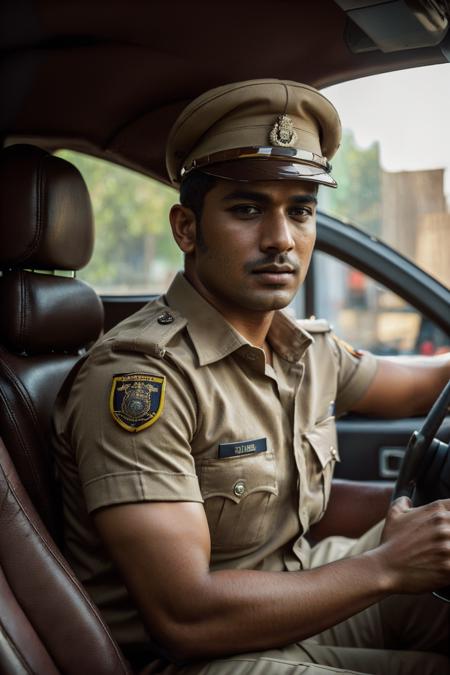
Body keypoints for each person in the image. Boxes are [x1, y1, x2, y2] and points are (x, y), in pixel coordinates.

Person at [53, 79, 450, 675]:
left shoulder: (303, 347)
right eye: (247, 209)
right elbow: (185, 616)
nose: (281, 239)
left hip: (290, 595)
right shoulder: (141, 378)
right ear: (187, 229)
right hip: (195, 655)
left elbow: (418, 384)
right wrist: (388, 566)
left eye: (301, 211)